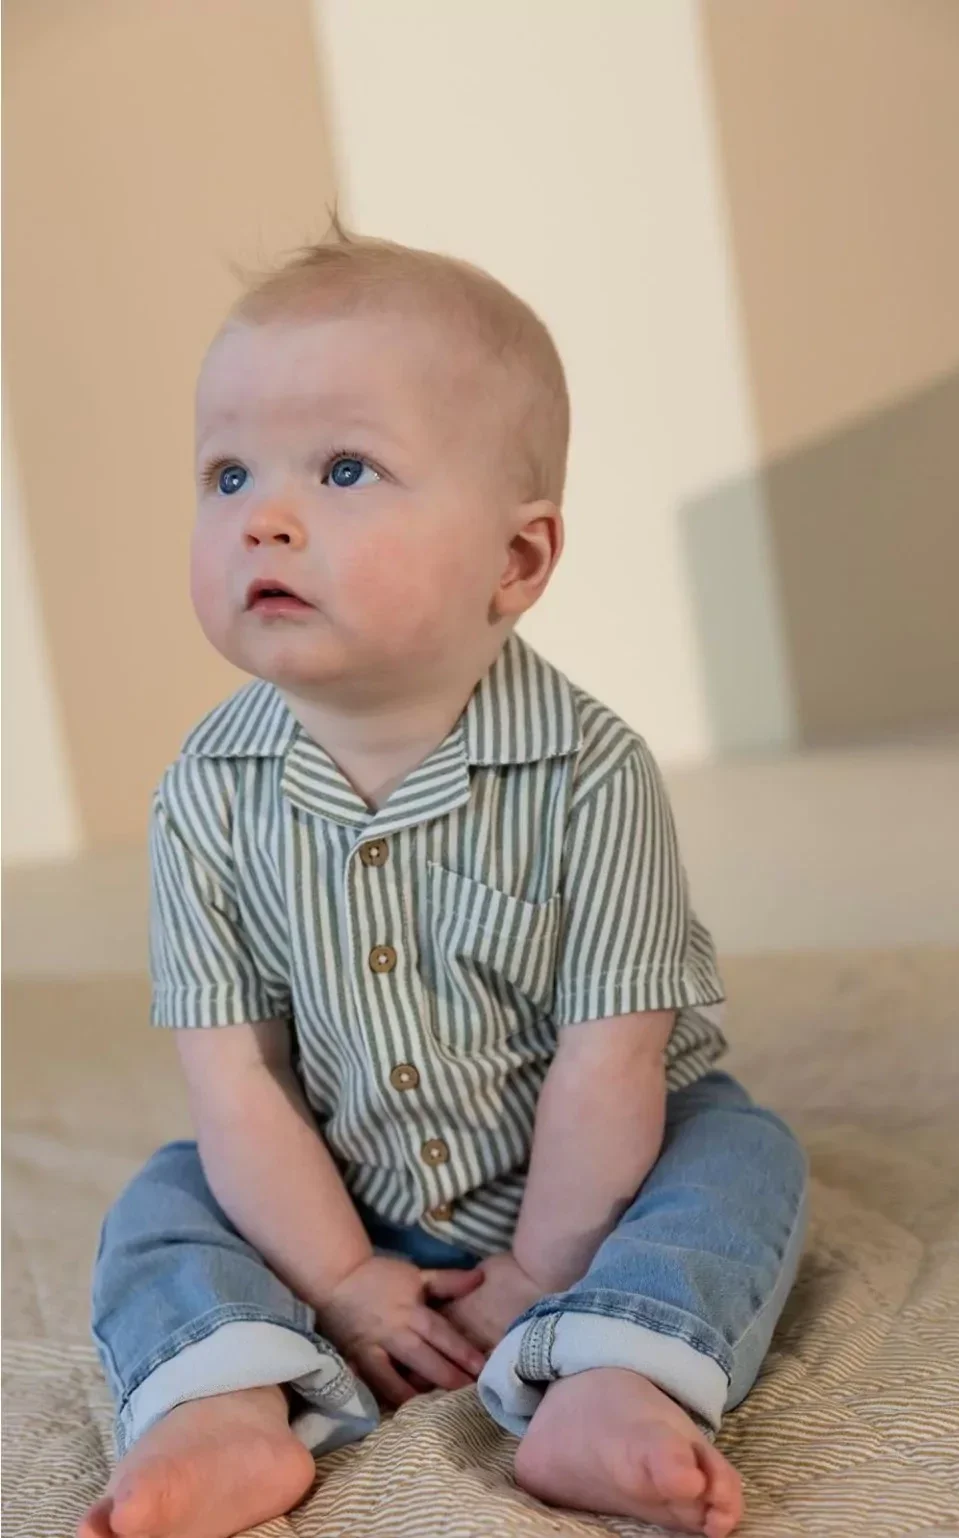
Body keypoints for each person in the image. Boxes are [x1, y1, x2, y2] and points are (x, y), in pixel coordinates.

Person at [80, 222, 807, 1538]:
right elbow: (239, 1076)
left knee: (741, 1158)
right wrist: (341, 1277)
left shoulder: (591, 772)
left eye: (344, 468)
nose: (264, 515)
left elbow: (612, 1063)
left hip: (592, 1175)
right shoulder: (205, 792)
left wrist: (539, 1266)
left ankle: (614, 1369)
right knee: (167, 1199)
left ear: (515, 561)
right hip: (333, 1177)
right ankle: (220, 1405)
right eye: (228, 472)